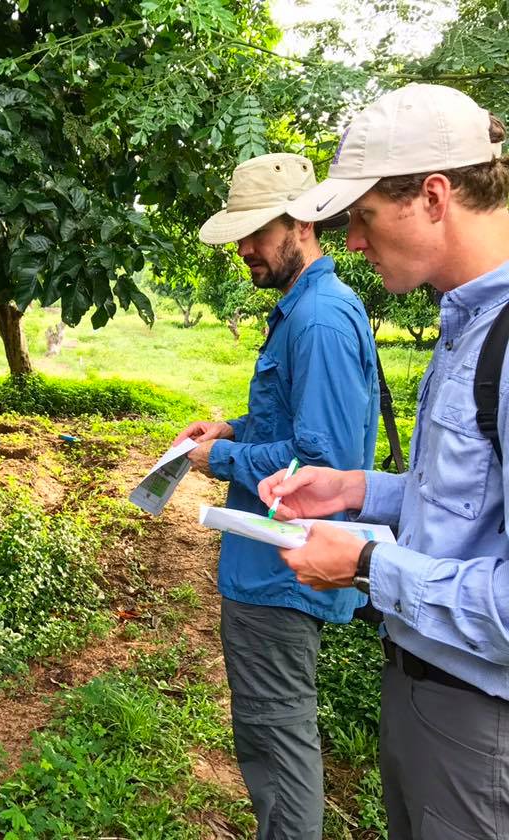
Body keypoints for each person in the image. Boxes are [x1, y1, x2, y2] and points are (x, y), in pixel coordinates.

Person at [259, 83, 509, 840]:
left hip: (482, 722)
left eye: (364, 217)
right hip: (426, 689)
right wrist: (355, 489)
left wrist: (370, 566)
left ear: (434, 197)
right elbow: (471, 501)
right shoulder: (469, 321)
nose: (355, 243)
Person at [176, 153, 380, 839]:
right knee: (270, 734)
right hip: (267, 567)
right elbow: (296, 422)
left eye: (257, 232)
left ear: (300, 222)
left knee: (277, 737)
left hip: (280, 573)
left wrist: (221, 456)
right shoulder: (304, 312)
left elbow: (322, 465)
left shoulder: (318, 320)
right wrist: (234, 426)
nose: (244, 249)